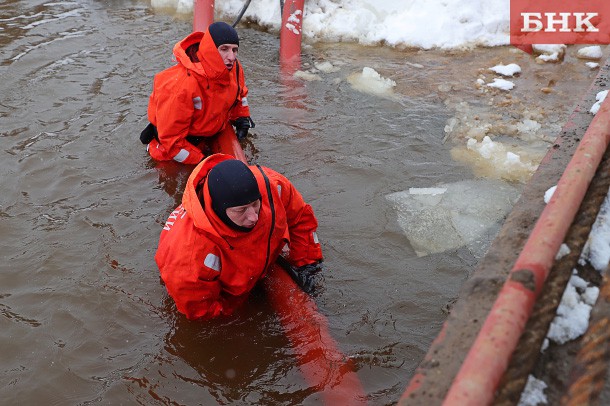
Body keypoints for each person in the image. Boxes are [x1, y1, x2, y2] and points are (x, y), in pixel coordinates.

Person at [155, 153, 324, 320]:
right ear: (219, 210)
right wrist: (244, 309)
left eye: (255, 204)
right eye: (242, 210)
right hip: (223, 291)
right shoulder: (189, 255)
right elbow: (201, 310)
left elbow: (301, 218)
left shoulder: (271, 186)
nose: (254, 217)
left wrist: (307, 264)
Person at [141, 22, 254, 165]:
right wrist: (202, 161)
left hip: (207, 135)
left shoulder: (234, 69)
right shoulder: (181, 86)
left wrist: (242, 118)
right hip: (170, 151)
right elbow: (172, 142)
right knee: (173, 181)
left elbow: (240, 94)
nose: (231, 56)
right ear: (211, 50)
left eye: (234, 50)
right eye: (224, 49)